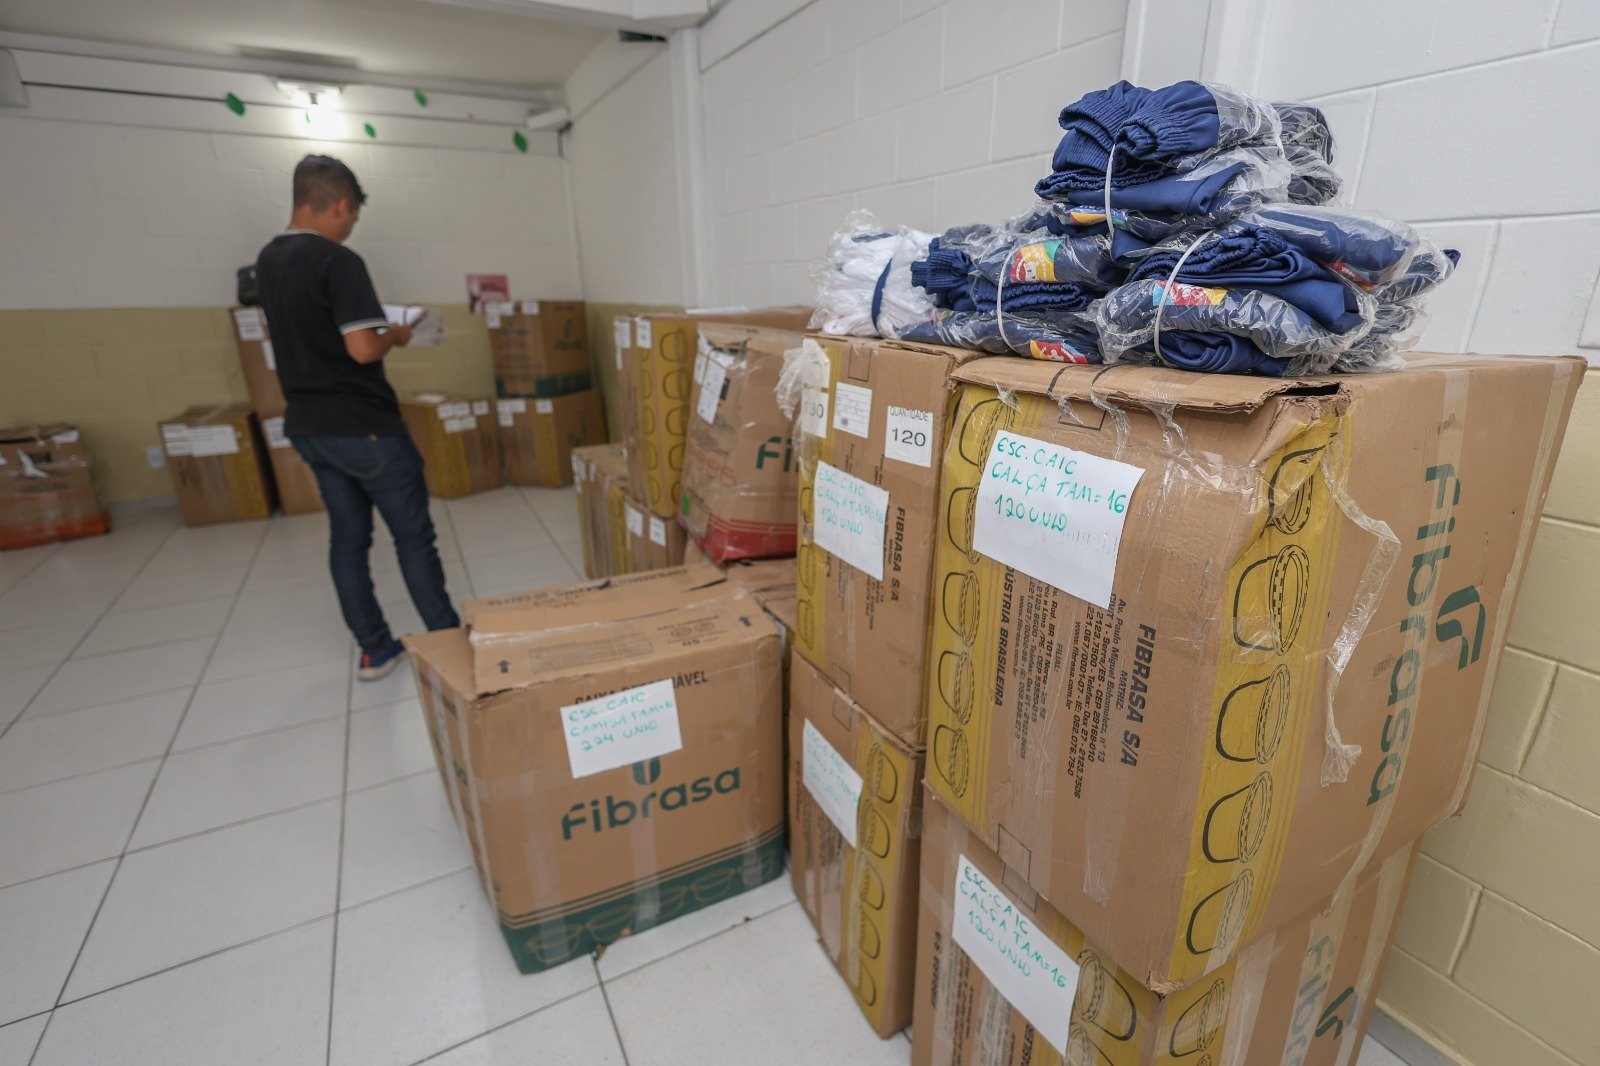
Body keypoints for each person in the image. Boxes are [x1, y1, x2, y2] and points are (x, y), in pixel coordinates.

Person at [255, 154, 459, 681]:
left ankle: (375, 649)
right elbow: (363, 349)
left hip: (310, 426)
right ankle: (449, 646)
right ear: (340, 206)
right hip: (365, 428)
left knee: (348, 539)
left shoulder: (267, 261)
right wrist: (397, 334)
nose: (349, 228)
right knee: (413, 538)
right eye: (352, 217)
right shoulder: (338, 260)